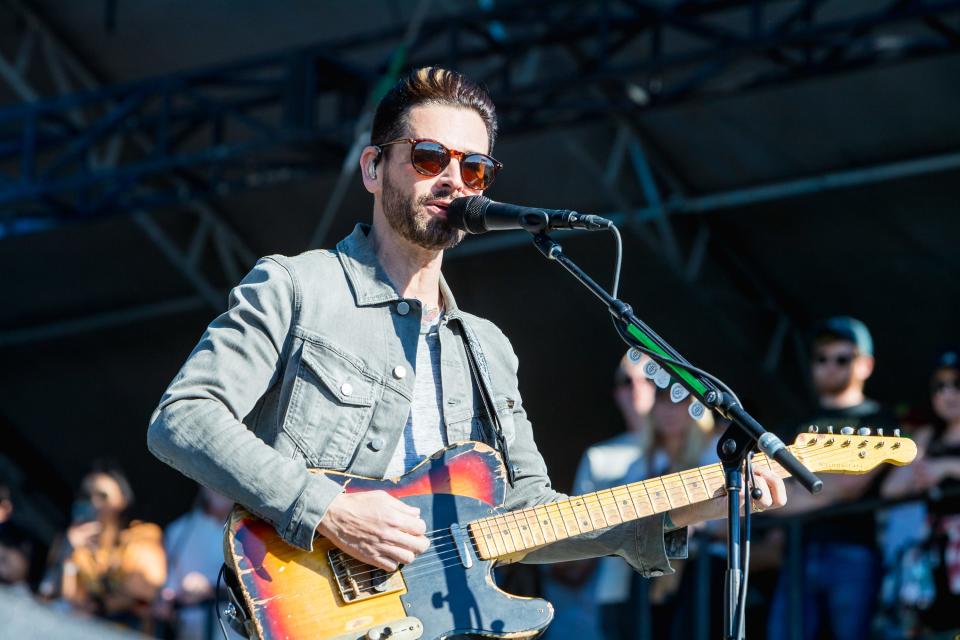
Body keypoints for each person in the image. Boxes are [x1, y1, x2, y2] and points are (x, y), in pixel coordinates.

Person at [147, 67, 786, 629]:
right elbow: (183, 418)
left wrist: (699, 502)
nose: (455, 180)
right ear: (374, 168)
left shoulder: (486, 347)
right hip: (308, 613)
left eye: (473, 168)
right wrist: (328, 510)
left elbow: (529, 514)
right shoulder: (296, 286)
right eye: (429, 158)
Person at [767, 316, 896, 640]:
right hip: (798, 551)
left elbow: (851, 484)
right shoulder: (796, 424)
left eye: (842, 358)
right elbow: (768, 490)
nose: (830, 366)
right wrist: (822, 485)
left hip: (852, 549)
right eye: (822, 358)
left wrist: (798, 490)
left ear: (865, 365)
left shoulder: (879, 420)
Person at [541, 351, 656, 640]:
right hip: (610, 593)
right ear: (616, 392)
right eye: (626, 381)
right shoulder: (599, 456)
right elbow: (580, 532)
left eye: (648, 379)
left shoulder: (684, 448)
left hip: (667, 588)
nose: (636, 388)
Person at [881, 348, 960, 636]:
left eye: (957, 384)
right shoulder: (928, 436)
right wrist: (918, 457)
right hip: (937, 554)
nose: (948, 393)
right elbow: (891, 489)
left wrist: (948, 468)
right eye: (940, 386)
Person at [52, 463, 167, 631]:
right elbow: (71, 602)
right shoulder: (75, 544)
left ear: (123, 501)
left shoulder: (143, 536)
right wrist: (68, 556)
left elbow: (145, 592)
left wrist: (100, 605)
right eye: (86, 495)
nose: (93, 503)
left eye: (102, 496)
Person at [154, 485, 243, 640]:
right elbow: (168, 588)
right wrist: (165, 598)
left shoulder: (251, 536)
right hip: (188, 633)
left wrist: (212, 588)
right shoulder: (178, 530)